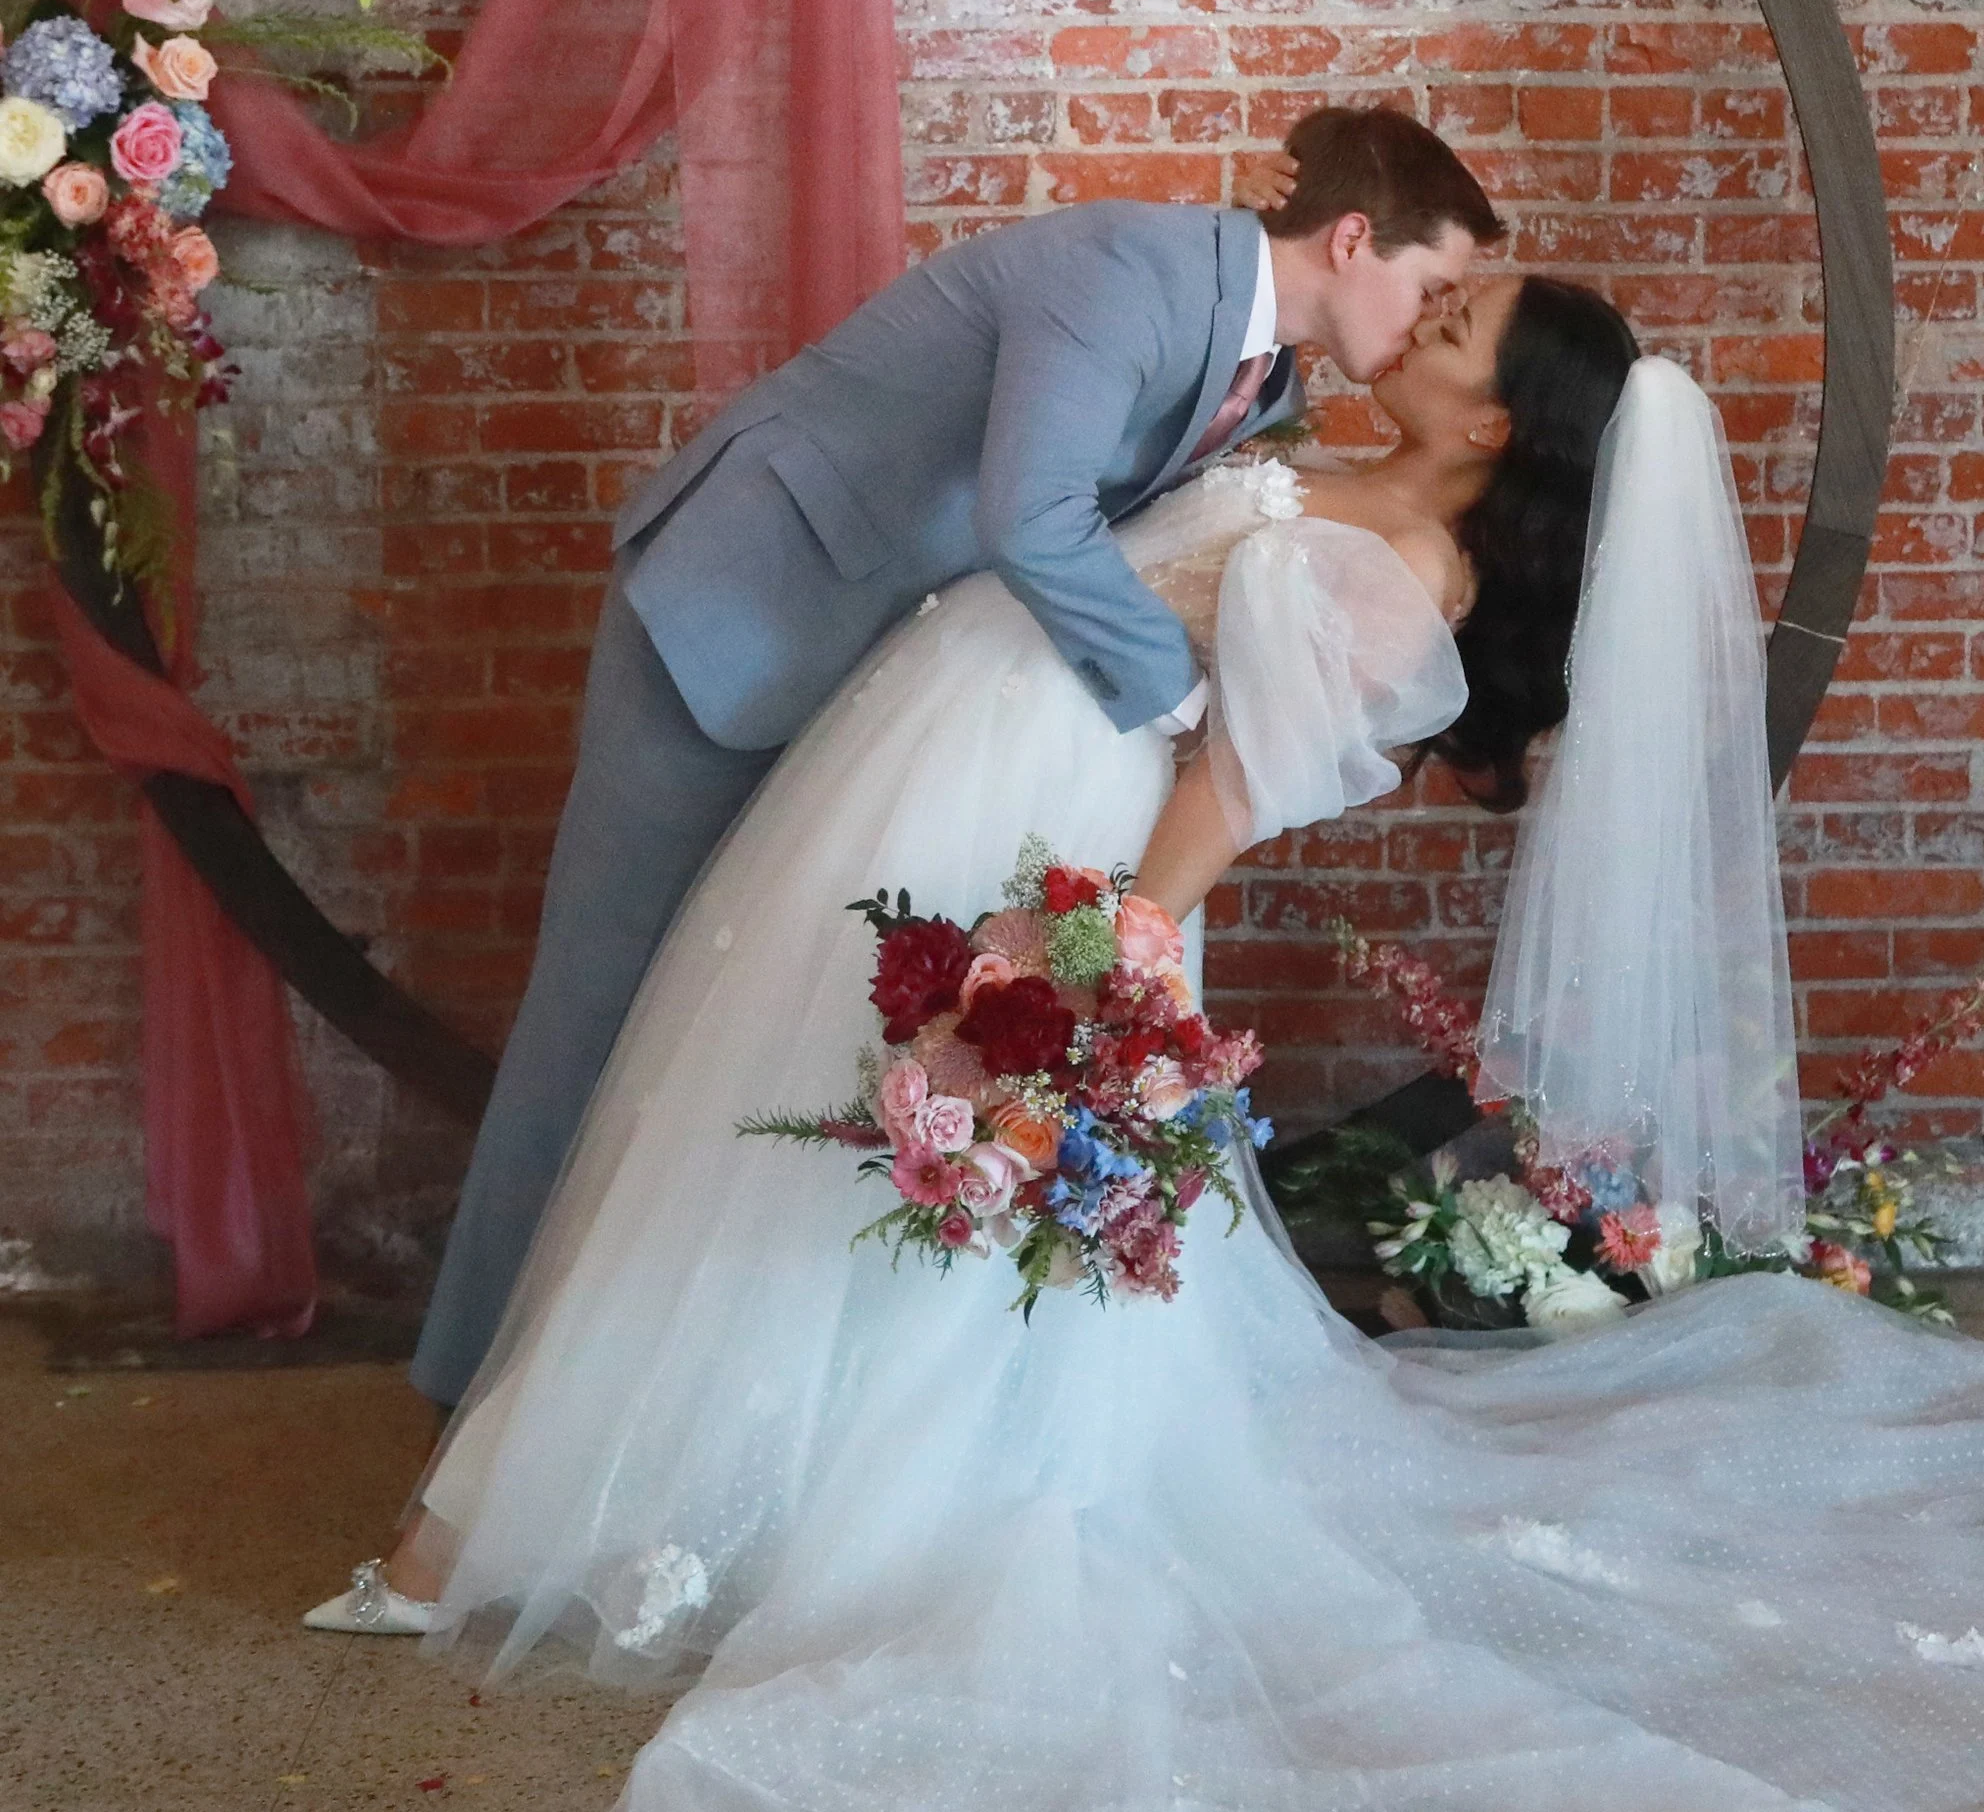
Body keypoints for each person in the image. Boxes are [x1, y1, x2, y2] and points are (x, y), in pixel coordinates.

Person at [304, 256, 1984, 1812]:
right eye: (1432, 295)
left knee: (872, 1174)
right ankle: (580, 1493)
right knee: (744, 1131)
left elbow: (1212, 810)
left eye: (1450, 326)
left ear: (1497, 422)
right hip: (940, 758)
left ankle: (573, 1514)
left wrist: (1066, 983)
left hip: (1042, 848)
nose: (1417, 321)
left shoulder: (1400, 580)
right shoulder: (1322, 461)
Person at [386, 103, 1504, 1427]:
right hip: (747, 611)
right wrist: (1183, 696)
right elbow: (1029, 512)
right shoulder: (1130, 270)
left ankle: (652, 1398)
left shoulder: (1271, 372)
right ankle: (474, 1400)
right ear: (1357, 237)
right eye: (1434, 285)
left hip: (885, 681)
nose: (1435, 319)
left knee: (732, 1023)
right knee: (601, 1014)